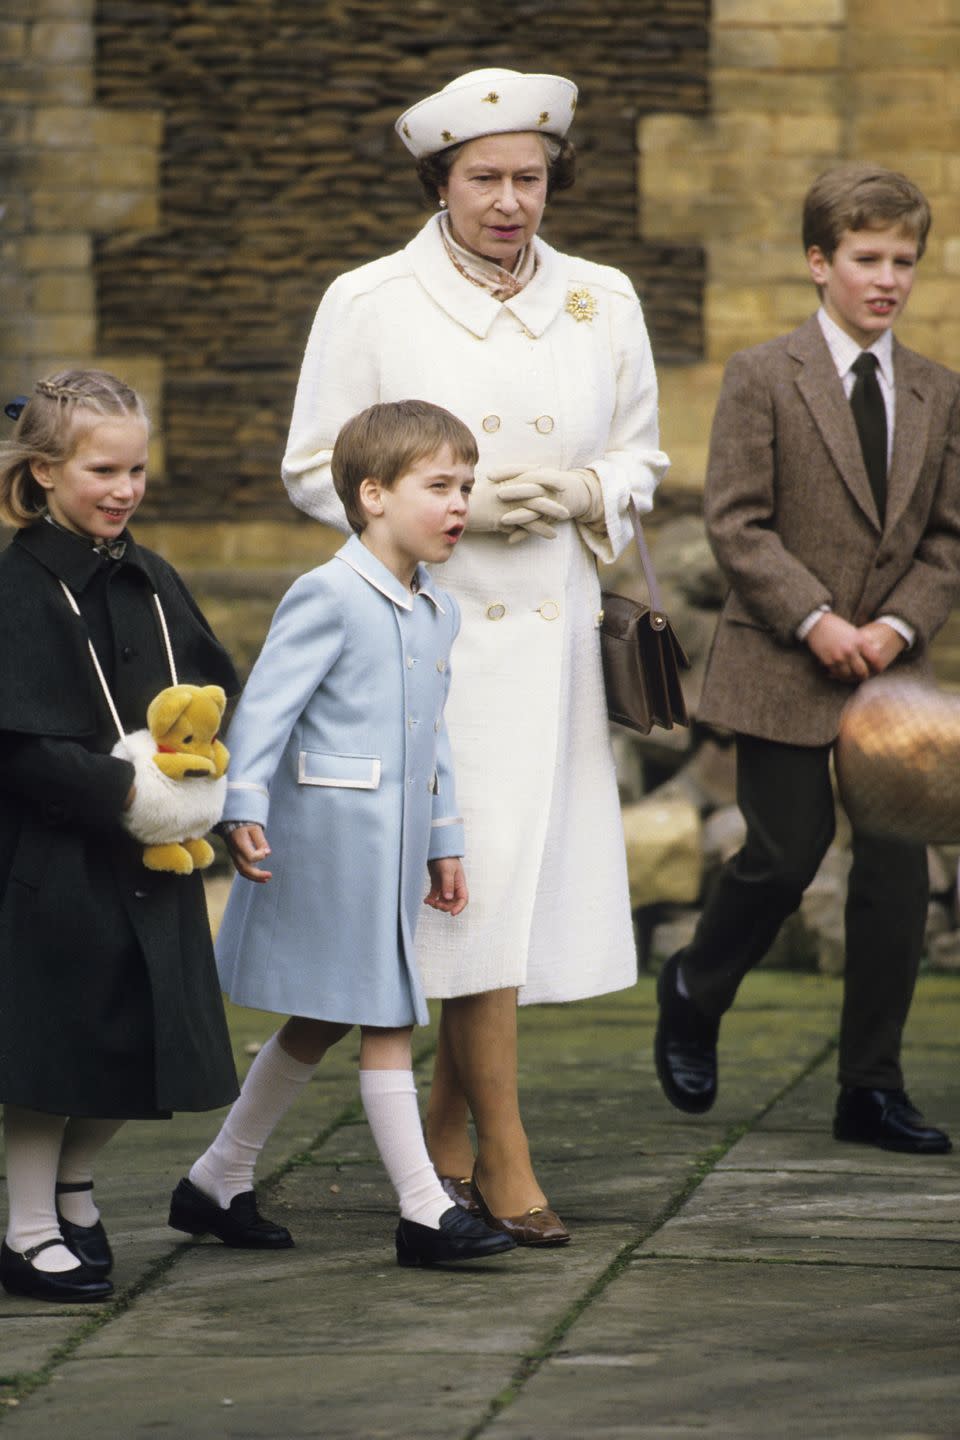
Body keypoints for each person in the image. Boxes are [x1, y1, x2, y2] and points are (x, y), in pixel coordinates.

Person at [280, 69, 669, 1243]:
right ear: (439, 182)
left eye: (531, 178)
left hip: (548, 642)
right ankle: (506, 1154)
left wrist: (588, 487)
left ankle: (447, 1138)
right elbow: (312, 469)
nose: (511, 201)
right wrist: (448, 508)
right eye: (485, 178)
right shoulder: (369, 300)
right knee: (468, 892)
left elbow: (646, 456)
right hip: (424, 641)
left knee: (502, 902)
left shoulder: (602, 296)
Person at [655, 164, 960, 1154]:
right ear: (818, 262)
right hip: (785, 657)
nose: (886, 279)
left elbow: (948, 541)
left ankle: (869, 1088)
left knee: (895, 879)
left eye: (903, 261)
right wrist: (819, 619)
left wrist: (898, 628)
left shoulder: (937, 391)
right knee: (780, 857)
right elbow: (736, 525)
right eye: (866, 259)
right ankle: (697, 989)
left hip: (891, 674)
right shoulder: (761, 375)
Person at [171, 400, 515, 1267]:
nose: (457, 504)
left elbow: (431, 734)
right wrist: (240, 807)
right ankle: (424, 1210)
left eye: (465, 487)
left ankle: (217, 1178)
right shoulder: (325, 593)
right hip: (328, 843)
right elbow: (267, 711)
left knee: (321, 1020)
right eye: (437, 486)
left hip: (394, 854)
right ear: (372, 495)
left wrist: (445, 837)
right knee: (388, 1016)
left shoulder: (437, 610)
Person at [0, 369, 239, 1304]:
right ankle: (24, 1229)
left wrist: (218, 792)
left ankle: (73, 1185)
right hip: (54, 857)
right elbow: (18, 744)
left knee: (146, 1039)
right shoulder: (17, 587)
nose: (125, 489)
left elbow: (215, 695)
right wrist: (124, 794)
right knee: (51, 1051)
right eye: (103, 469)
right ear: (47, 471)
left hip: (157, 859)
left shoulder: (148, 572)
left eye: (136, 469)